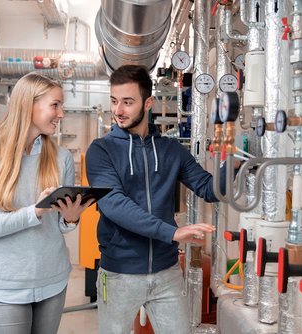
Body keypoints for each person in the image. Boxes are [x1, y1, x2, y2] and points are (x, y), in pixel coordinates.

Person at [85, 65, 232, 334]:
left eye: (128, 102)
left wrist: (233, 157)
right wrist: (172, 232)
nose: (118, 110)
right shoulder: (101, 150)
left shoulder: (170, 150)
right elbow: (114, 204)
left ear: (148, 102)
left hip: (166, 273)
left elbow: (209, 189)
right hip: (120, 273)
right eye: (114, 101)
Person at [0, 72, 94, 334]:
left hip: (53, 282)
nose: (61, 114)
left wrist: (71, 218)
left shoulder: (61, 158)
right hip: (5, 288)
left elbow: (60, 225)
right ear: (29, 105)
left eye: (62, 106)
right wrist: (33, 212)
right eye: (55, 105)